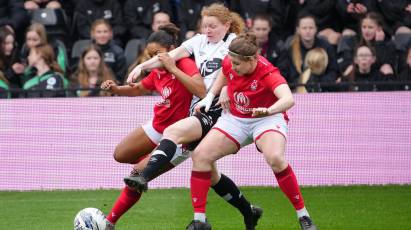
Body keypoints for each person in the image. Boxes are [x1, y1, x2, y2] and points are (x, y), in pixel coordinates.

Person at [125, 4, 264, 230]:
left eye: (213, 26)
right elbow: (169, 57)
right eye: (204, 25)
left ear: (227, 25)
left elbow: (247, 70)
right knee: (210, 173)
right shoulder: (198, 42)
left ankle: (146, 178)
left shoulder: (234, 43)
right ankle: (249, 211)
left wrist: (228, 87)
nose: (207, 30)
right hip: (201, 106)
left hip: (221, 108)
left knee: (175, 133)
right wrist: (143, 67)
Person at [185, 32, 317, 230]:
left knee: (275, 158)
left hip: (266, 119)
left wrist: (269, 110)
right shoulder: (231, 62)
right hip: (235, 119)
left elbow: (289, 99)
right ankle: (199, 221)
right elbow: (224, 72)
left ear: (252, 60)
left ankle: (303, 215)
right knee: (200, 156)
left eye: (237, 64)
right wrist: (212, 95)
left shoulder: (268, 73)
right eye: (232, 62)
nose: (233, 66)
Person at [100, 23, 206, 229]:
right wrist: (115, 89)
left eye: (157, 54)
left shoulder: (184, 63)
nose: (153, 59)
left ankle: (109, 222)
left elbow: (201, 90)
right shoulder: (156, 70)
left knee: (137, 175)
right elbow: (139, 88)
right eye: (150, 55)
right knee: (120, 154)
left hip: (180, 135)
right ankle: (153, 162)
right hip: (158, 126)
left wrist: (172, 67)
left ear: (171, 49)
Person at [277, 14, 338, 92]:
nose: (308, 31)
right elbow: (287, 73)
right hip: (296, 91)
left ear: (316, 29)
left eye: (311, 28)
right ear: (298, 30)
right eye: (304, 28)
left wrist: (319, 84)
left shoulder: (326, 47)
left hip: (322, 90)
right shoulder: (290, 49)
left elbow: (333, 71)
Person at [89, 19, 127, 83]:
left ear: (110, 33)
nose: (102, 35)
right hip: (89, 85)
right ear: (93, 34)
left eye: (105, 31)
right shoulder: (88, 51)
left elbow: (120, 77)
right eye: (99, 32)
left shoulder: (118, 52)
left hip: (111, 86)